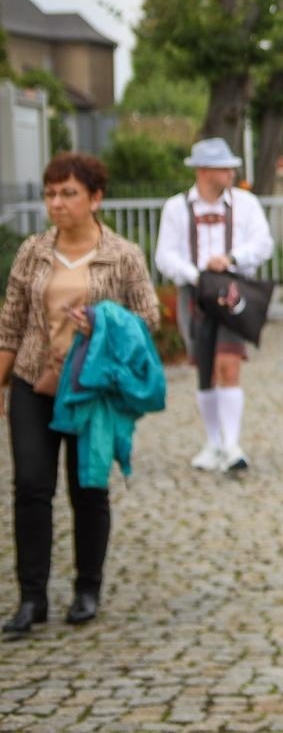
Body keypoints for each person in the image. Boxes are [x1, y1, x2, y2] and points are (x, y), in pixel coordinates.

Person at [0, 153, 161, 635]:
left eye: (68, 193)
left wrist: (103, 321)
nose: (57, 203)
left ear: (95, 198)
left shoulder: (122, 254)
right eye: (50, 194)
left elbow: (149, 317)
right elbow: (10, 323)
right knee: (31, 487)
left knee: (87, 488)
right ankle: (31, 598)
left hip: (90, 388)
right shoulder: (32, 251)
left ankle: (87, 589)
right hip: (33, 381)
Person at [154, 137, 274, 473]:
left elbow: (263, 244)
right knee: (204, 366)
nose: (231, 173)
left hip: (233, 291)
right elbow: (165, 255)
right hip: (194, 293)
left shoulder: (246, 204)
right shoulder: (176, 207)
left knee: (229, 362)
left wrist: (232, 258)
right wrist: (196, 275)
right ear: (204, 171)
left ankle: (232, 444)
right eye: (224, 168)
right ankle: (213, 441)